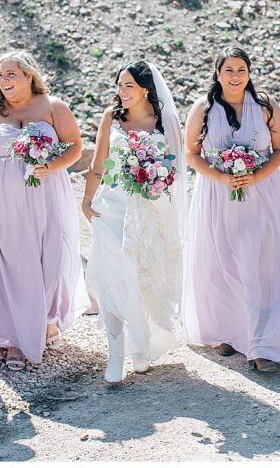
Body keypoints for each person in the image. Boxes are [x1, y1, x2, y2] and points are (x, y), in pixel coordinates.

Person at [0, 51, 89, 370]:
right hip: (2, 202)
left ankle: (39, 322)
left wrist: (51, 165)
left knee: (50, 261)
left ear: (28, 77)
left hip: (46, 198)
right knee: (10, 265)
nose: (4, 81)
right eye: (0, 75)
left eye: (11, 75)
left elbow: (75, 147)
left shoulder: (52, 107)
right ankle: (13, 340)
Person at [181, 47, 280, 373]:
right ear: (217, 73)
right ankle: (230, 332)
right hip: (218, 195)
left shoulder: (265, 106)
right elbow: (191, 154)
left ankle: (261, 345)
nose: (235, 76)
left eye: (242, 70)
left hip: (262, 195)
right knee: (222, 264)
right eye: (229, 70)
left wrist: (255, 175)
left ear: (249, 72)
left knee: (262, 264)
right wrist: (222, 176)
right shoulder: (203, 108)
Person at [81, 61, 187, 384]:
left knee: (141, 278)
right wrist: (86, 200)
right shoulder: (111, 117)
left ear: (144, 89)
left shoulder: (163, 120)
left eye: (128, 86)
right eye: (119, 85)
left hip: (150, 211)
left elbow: (174, 169)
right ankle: (115, 353)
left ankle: (141, 346)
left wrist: (152, 180)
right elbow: (99, 163)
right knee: (113, 277)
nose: (121, 92)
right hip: (111, 209)